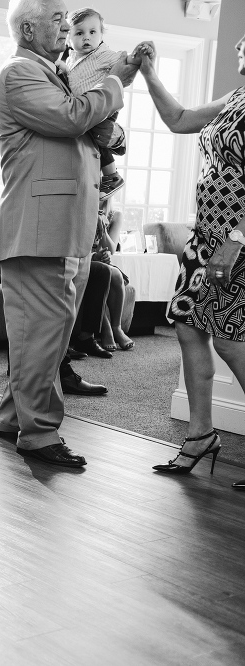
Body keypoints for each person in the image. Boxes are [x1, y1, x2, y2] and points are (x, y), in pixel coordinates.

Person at [0, 0, 137, 468]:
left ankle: (15, 416)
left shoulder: (56, 74)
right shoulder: (19, 74)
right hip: (39, 230)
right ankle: (39, 434)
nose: (66, 27)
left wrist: (111, 131)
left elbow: (92, 131)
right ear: (29, 28)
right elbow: (75, 118)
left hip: (63, 228)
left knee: (42, 334)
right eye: (57, 19)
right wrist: (117, 82)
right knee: (46, 332)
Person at [139, 34, 245, 489]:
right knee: (187, 326)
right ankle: (200, 434)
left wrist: (234, 242)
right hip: (206, 237)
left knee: (229, 341)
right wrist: (149, 73)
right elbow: (179, 119)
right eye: (240, 44)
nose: (241, 48)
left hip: (236, 242)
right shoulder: (236, 98)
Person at [63, 7, 128, 198]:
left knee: (97, 136)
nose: (86, 38)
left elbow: (122, 62)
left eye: (93, 32)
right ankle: (106, 176)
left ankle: (112, 176)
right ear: (69, 37)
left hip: (103, 104)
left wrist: (135, 59)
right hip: (86, 105)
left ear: (101, 35)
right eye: (79, 33)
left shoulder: (102, 54)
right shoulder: (71, 57)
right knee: (92, 140)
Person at [91, 197, 134, 351]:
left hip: (102, 260)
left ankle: (117, 327)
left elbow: (112, 248)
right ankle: (106, 327)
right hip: (84, 260)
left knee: (114, 274)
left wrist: (101, 226)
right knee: (98, 274)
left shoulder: (115, 215)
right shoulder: (82, 207)